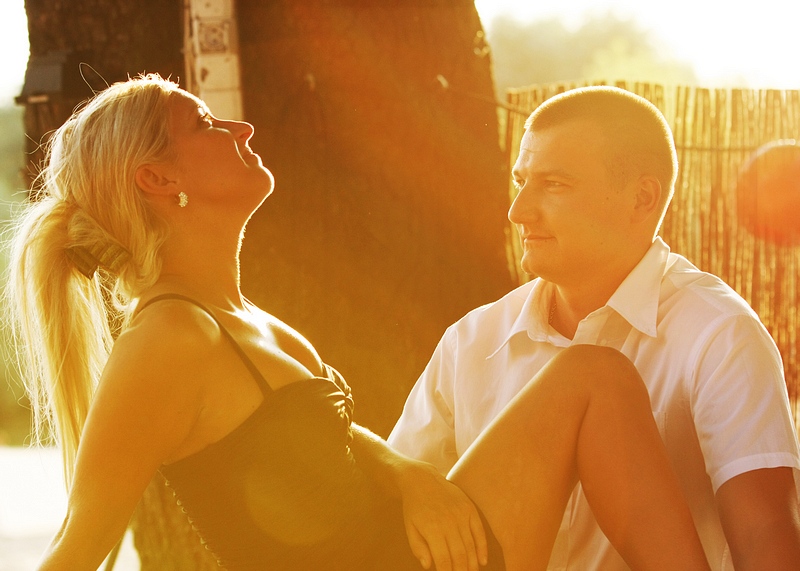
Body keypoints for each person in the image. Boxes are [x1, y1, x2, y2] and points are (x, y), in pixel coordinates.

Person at [6, 75, 712, 571]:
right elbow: (79, 544)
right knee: (594, 375)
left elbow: (326, 435)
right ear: (158, 181)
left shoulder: (243, 321)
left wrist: (409, 474)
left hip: (413, 552)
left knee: (594, 375)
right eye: (204, 124)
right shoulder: (169, 338)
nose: (240, 126)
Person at [389, 86, 800, 571]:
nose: (518, 210)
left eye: (554, 184)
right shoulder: (471, 341)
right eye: (521, 181)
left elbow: (765, 535)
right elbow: (396, 501)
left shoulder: (720, 334)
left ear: (642, 198)